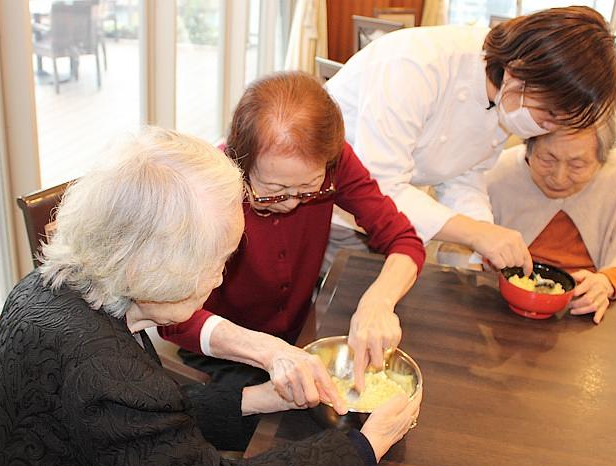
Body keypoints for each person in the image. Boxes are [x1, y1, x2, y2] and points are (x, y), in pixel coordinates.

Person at [0, 128, 422, 466]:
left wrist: (260, 399)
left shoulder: (50, 291)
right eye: (216, 262)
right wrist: (368, 445)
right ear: (151, 269)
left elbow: (148, 419)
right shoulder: (106, 371)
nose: (221, 277)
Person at [159, 72, 426, 396]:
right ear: (238, 161)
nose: (290, 203)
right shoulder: (207, 189)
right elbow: (171, 319)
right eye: (273, 191)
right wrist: (264, 350)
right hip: (224, 348)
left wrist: (379, 302)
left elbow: (403, 239)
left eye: (309, 189)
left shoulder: (335, 162)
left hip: (298, 334)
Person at [325, 6, 616, 275]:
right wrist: (473, 233)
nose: (546, 127)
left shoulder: (508, 92)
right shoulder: (417, 65)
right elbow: (379, 188)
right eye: (548, 112)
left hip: (393, 221)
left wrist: (485, 234)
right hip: (330, 208)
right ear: (519, 69)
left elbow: (466, 173)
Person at [486, 113, 616, 324]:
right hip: (505, 308)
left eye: (577, 165)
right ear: (528, 147)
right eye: (547, 160)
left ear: (603, 158)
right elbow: (468, 251)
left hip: (586, 311)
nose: (559, 178)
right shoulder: (500, 170)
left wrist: (605, 282)